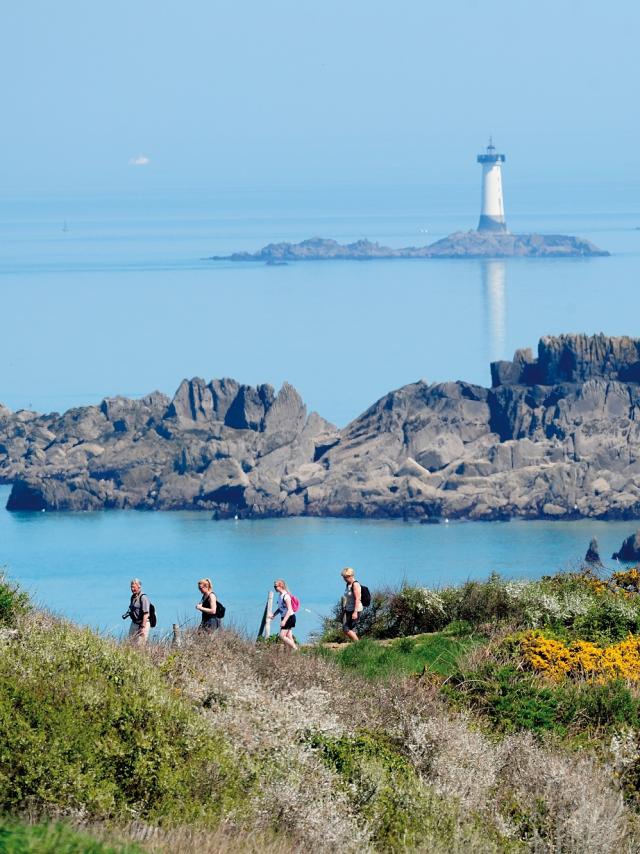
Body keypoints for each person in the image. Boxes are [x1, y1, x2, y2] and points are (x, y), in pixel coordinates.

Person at [269, 579, 298, 651]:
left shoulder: (286, 596)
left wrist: (284, 621)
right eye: (274, 586)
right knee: (289, 636)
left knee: (281, 636)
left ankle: (295, 648)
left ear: (281, 586)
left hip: (289, 617)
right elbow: (280, 608)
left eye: (275, 586)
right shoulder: (280, 596)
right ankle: (291, 654)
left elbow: (289, 610)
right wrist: (274, 615)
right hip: (285, 617)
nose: (274, 588)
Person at [125, 578, 150, 645]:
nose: (132, 589)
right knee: (131, 643)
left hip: (143, 623)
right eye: (131, 587)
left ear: (139, 587)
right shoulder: (133, 597)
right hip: (134, 623)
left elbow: (146, 614)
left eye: (134, 587)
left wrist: (142, 627)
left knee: (140, 645)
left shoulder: (143, 597)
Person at [341, 567, 362, 642]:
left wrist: (355, 612)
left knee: (346, 628)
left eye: (345, 577)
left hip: (355, 609)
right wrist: (345, 610)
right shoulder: (348, 584)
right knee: (350, 629)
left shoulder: (355, 584)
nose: (344, 579)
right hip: (349, 609)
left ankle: (358, 644)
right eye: (343, 577)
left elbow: (358, 599)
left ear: (351, 576)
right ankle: (356, 644)